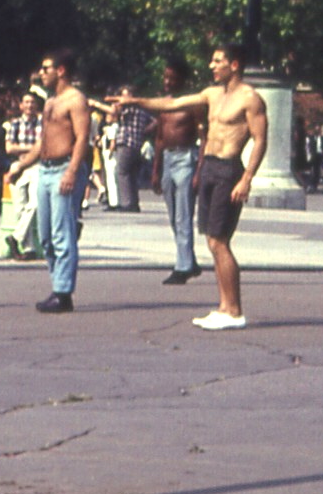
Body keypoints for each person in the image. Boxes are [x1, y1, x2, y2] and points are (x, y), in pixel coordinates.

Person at [115, 42, 268, 331]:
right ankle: (224, 307)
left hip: (228, 169)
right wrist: (136, 102)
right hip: (208, 165)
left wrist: (246, 178)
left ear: (234, 64)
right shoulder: (211, 94)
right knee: (212, 241)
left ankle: (235, 311)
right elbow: (173, 104)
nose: (212, 66)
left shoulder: (250, 99)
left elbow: (260, 139)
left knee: (220, 241)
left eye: (218, 61)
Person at [6, 50, 93, 315]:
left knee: (61, 233)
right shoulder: (50, 101)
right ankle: (57, 286)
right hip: (44, 170)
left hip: (64, 168)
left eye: (46, 68)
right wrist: (21, 165)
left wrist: (72, 172)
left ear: (61, 70)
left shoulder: (76, 100)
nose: (42, 73)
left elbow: (82, 138)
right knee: (45, 236)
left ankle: (63, 292)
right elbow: (43, 141)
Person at [146, 58, 204, 285]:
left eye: (172, 78)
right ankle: (189, 260)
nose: (167, 82)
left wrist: (199, 171)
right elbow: (159, 138)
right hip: (168, 159)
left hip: (186, 158)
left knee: (183, 215)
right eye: (165, 77)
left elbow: (204, 138)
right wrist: (156, 170)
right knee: (173, 216)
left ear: (182, 79)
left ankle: (183, 267)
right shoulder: (164, 105)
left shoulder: (192, 105)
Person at [0, 90, 43, 260]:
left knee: (35, 203)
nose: (29, 105)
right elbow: (9, 148)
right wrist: (34, 148)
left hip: (37, 166)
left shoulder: (42, 124)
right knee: (20, 208)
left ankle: (15, 237)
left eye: (32, 102)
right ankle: (28, 248)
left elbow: (44, 147)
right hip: (17, 166)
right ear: (21, 105)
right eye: (26, 102)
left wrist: (26, 149)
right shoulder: (15, 124)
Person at [107, 89, 152, 213]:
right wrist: (143, 130)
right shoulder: (142, 109)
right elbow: (155, 121)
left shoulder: (128, 110)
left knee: (121, 172)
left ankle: (126, 203)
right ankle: (134, 202)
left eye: (124, 95)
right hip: (137, 144)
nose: (122, 98)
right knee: (132, 174)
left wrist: (97, 104)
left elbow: (113, 111)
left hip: (126, 142)